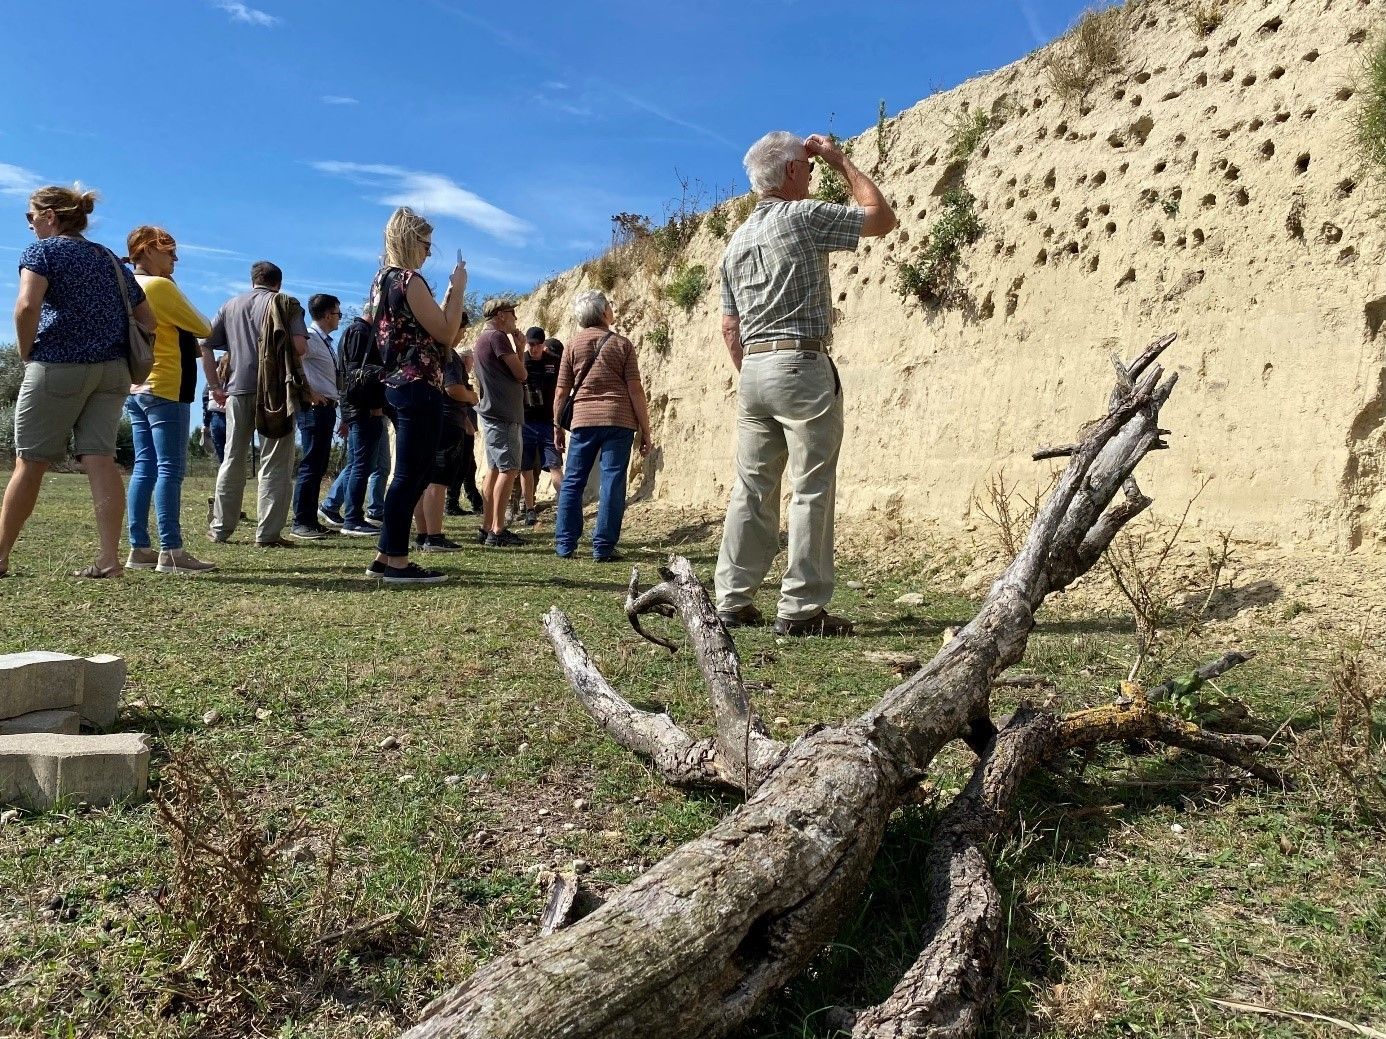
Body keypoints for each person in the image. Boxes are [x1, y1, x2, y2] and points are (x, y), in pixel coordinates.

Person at [714, 131, 896, 637]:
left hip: (753, 371)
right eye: (808, 168)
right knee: (810, 487)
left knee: (751, 488)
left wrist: (755, 372)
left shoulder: (735, 242)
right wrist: (840, 160)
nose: (812, 175)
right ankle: (800, 608)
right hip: (801, 363)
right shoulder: (803, 216)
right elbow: (881, 218)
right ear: (793, 171)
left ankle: (732, 597)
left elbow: (730, 328)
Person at [0, 184, 156, 578]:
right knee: (101, 459)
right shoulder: (108, 259)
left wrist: (26, 350)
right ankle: (108, 560)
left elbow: (27, 304)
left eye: (31, 216)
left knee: (30, 461)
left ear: (50, 216)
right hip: (113, 371)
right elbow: (147, 319)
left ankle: (0, 557)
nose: (30, 224)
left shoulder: (43, 252)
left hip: (59, 365)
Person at [366, 206, 467, 584]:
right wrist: (457, 289)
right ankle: (397, 562)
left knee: (411, 473)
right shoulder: (409, 279)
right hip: (417, 384)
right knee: (412, 474)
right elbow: (445, 332)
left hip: (395, 384)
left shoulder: (381, 281)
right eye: (426, 243)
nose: (428, 251)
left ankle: (385, 554)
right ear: (411, 241)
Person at [122, 225, 217, 574]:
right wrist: (173, 288)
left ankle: (139, 548)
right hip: (167, 385)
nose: (175, 258)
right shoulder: (160, 287)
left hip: (136, 387)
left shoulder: (127, 285)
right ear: (146, 250)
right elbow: (204, 326)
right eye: (169, 251)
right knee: (170, 469)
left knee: (144, 467)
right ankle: (172, 550)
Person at [202, 261, 308, 548]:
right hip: (274, 390)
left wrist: (214, 385)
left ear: (253, 281)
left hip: (237, 389)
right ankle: (268, 534)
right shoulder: (286, 303)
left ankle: (220, 529)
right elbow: (300, 347)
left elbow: (206, 343)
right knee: (275, 460)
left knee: (233, 458)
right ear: (278, 282)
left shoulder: (230, 305)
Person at [552, 290, 652, 562]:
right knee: (612, 481)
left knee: (573, 480)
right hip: (619, 420)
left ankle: (564, 543)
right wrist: (645, 428)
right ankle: (603, 547)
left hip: (583, 420)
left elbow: (562, 391)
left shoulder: (572, 345)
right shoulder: (622, 345)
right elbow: (635, 389)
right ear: (604, 313)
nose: (611, 308)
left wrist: (557, 426)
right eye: (609, 305)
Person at [412, 313, 476, 552]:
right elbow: (454, 389)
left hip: (427, 420)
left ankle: (422, 534)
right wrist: (472, 396)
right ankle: (434, 536)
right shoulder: (449, 355)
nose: (463, 334)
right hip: (447, 423)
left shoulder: (427, 352)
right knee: (437, 482)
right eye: (462, 329)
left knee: (423, 481)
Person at [473, 298, 528, 547]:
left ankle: (488, 526)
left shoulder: (484, 338)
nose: (515, 318)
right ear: (501, 315)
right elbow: (521, 374)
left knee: (495, 470)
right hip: (503, 413)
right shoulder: (496, 337)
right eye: (512, 313)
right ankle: (497, 529)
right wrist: (520, 349)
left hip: (494, 413)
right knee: (509, 469)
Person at [290, 293, 342, 540]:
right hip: (314, 409)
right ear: (327, 314)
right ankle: (301, 521)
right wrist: (308, 391)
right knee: (311, 464)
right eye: (338, 313)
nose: (340, 318)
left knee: (318, 464)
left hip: (327, 408)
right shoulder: (310, 339)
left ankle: (310, 519)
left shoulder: (324, 341)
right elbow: (293, 361)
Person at [519, 328, 563, 526]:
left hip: (547, 421)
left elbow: (564, 386)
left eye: (537, 344)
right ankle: (528, 508)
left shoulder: (554, 361)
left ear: (544, 344)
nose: (533, 348)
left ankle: (564, 506)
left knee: (555, 465)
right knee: (526, 468)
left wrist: (559, 420)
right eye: (530, 344)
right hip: (525, 421)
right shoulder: (521, 360)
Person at [445, 342, 485, 516]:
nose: (472, 364)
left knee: (469, 467)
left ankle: (474, 501)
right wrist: (468, 424)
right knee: (461, 466)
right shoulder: (458, 379)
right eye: (471, 360)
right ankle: (452, 503)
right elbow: (459, 403)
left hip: (464, 429)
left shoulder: (463, 379)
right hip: (462, 428)